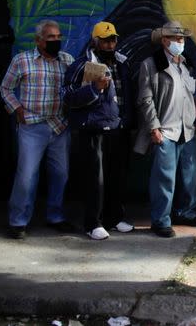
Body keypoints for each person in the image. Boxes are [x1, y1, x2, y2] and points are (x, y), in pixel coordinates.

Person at [0, 20, 75, 239]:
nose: (56, 41)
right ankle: (18, 221)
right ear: (38, 40)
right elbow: (5, 88)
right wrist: (16, 108)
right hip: (32, 126)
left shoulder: (67, 61)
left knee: (60, 174)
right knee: (26, 176)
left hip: (60, 126)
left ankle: (55, 216)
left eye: (58, 36)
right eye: (51, 37)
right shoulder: (22, 60)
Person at [62, 21, 135, 240]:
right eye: (104, 40)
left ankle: (114, 218)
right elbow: (67, 96)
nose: (110, 44)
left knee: (117, 176)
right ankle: (92, 222)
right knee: (96, 178)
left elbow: (128, 95)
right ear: (95, 41)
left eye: (112, 39)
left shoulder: (123, 62)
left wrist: (128, 120)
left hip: (118, 128)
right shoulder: (83, 64)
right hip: (93, 129)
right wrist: (94, 89)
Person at [135, 21, 196, 238]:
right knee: (164, 178)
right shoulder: (151, 64)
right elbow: (145, 99)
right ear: (164, 41)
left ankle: (186, 212)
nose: (180, 42)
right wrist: (154, 127)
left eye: (182, 39)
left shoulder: (186, 63)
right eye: (175, 38)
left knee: (189, 176)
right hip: (165, 129)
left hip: (187, 129)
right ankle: (161, 220)